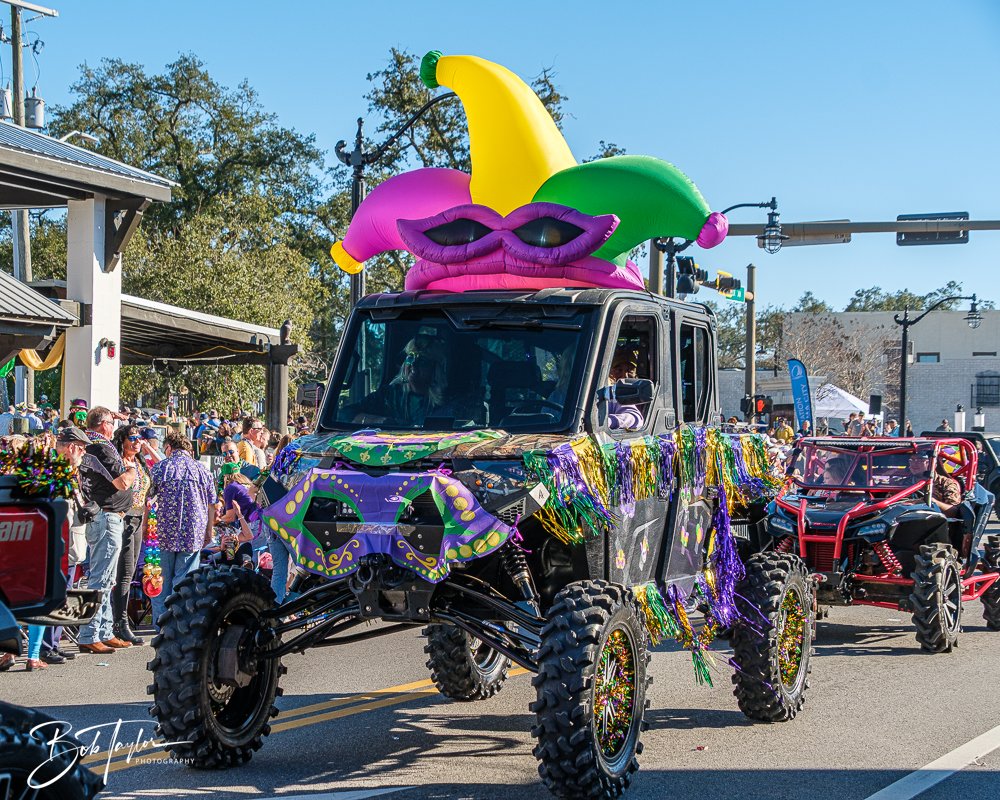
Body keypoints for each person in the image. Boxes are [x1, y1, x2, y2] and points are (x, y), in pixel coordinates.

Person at [76, 407, 138, 654]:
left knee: (107, 578)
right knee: (101, 578)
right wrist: (131, 467)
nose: (113, 427)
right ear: (103, 424)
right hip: (106, 516)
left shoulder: (93, 445)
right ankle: (90, 633)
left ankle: (103, 631)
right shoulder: (100, 446)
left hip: (107, 516)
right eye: (111, 422)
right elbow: (122, 481)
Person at [148, 433, 217, 630]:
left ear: (169, 447)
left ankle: (161, 625)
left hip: (163, 532)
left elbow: (149, 502)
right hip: (192, 533)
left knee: (160, 581)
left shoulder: (161, 468)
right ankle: (180, 626)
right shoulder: (202, 470)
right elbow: (212, 505)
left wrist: (146, 527)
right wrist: (208, 532)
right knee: (184, 582)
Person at [111, 425, 152, 646]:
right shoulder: (119, 462)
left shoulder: (139, 463)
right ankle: (120, 623)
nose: (137, 442)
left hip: (138, 520)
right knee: (123, 573)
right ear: (123, 440)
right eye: (132, 438)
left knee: (130, 570)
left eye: (140, 438)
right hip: (123, 518)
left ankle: (119, 622)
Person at [355, 335, 448, 426]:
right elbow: (345, 414)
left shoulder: (447, 401)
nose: (414, 364)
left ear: (435, 369)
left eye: (422, 361)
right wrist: (377, 420)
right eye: (410, 357)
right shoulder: (389, 396)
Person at [606, 348, 644, 430]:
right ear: (609, 372)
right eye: (619, 370)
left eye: (630, 370)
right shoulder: (607, 392)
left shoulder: (643, 390)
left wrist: (607, 422)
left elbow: (634, 417)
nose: (625, 376)